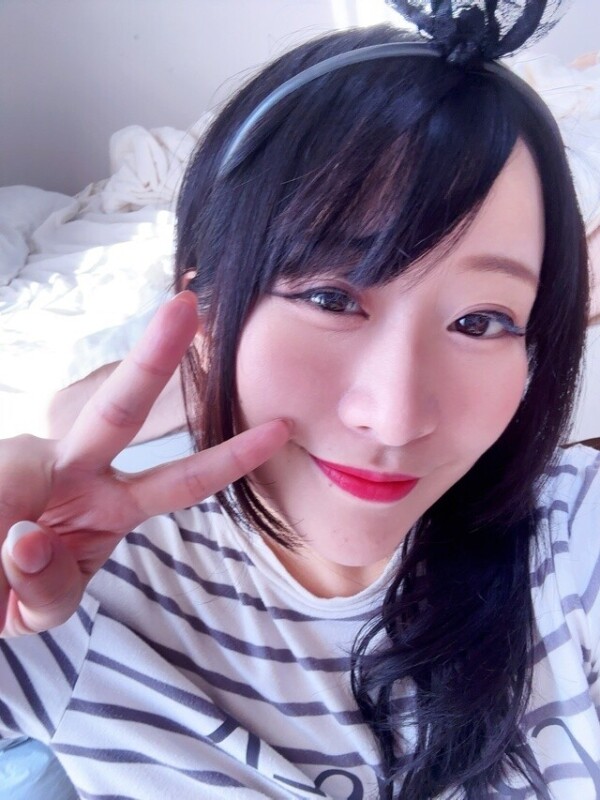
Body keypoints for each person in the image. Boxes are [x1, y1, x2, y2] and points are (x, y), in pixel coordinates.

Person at [0, 1, 597, 797]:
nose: (395, 417)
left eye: (480, 321)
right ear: (206, 314)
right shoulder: (63, 586)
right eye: (329, 298)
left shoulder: (572, 540)